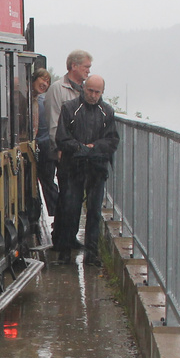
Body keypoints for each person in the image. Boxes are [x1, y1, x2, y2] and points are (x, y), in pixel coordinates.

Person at [53, 74, 118, 266]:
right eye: (90, 90)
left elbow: (112, 140)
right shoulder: (70, 108)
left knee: (94, 211)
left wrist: (93, 148)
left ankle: (92, 254)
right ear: (84, 89)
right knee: (70, 209)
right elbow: (62, 138)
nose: (93, 95)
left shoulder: (107, 111)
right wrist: (82, 148)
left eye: (97, 92)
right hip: (73, 167)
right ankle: (64, 253)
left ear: (102, 93)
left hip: (97, 168)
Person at [44, 50, 92, 244]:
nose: (88, 71)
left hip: (81, 153)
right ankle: (61, 238)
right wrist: (61, 147)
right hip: (64, 153)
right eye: (86, 67)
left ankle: (69, 236)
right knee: (66, 196)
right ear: (74, 66)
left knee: (76, 197)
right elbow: (53, 121)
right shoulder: (58, 89)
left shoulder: (85, 90)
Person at [29, 68, 59, 222]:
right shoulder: (27, 99)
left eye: (48, 81)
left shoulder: (44, 101)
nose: (45, 84)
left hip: (44, 145)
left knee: (47, 181)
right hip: (32, 146)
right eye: (43, 79)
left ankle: (56, 214)